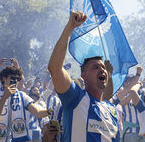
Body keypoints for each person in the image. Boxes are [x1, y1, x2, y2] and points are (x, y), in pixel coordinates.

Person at [47, 11, 119, 142]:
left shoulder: (112, 110)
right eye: (95, 67)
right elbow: (55, 69)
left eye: (103, 67)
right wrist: (70, 27)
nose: (102, 70)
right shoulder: (76, 98)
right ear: (83, 76)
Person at [0, 65, 51, 142]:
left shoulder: (22, 95)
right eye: (12, 78)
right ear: (4, 79)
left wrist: (48, 112)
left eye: (17, 79)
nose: (15, 81)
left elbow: (37, 112)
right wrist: (4, 98)